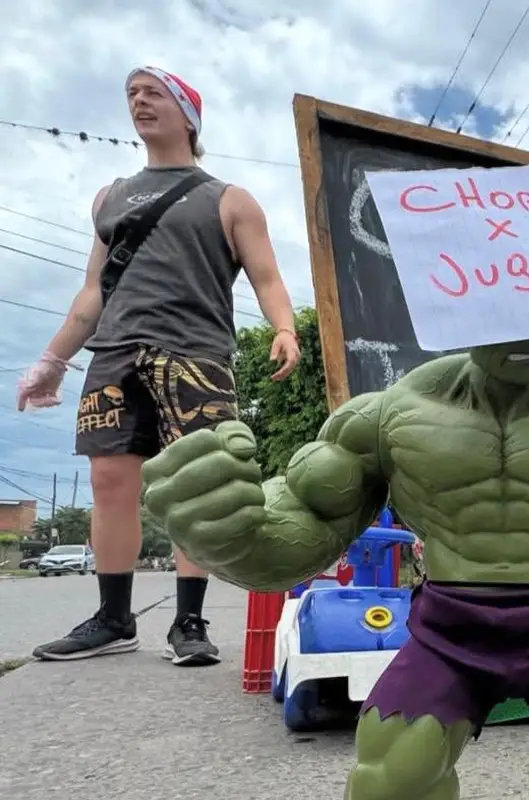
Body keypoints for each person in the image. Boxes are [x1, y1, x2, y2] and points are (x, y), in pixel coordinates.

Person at [140, 226, 529, 799]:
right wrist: (230, 528)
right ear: (461, 312)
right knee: (391, 782)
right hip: (451, 628)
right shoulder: (392, 414)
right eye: (505, 310)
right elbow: (304, 523)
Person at [16, 66, 301, 665]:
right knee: (109, 482)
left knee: (198, 485)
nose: (139, 103)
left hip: (195, 353)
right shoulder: (111, 196)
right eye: (132, 95)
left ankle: (190, 622)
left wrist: (284, 328)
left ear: (187, 114)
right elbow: (93, 289)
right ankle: (114, 618)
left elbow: (267, 275)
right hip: (114, 352)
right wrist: (52, 359)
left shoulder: (229, 198)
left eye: (154, 93)